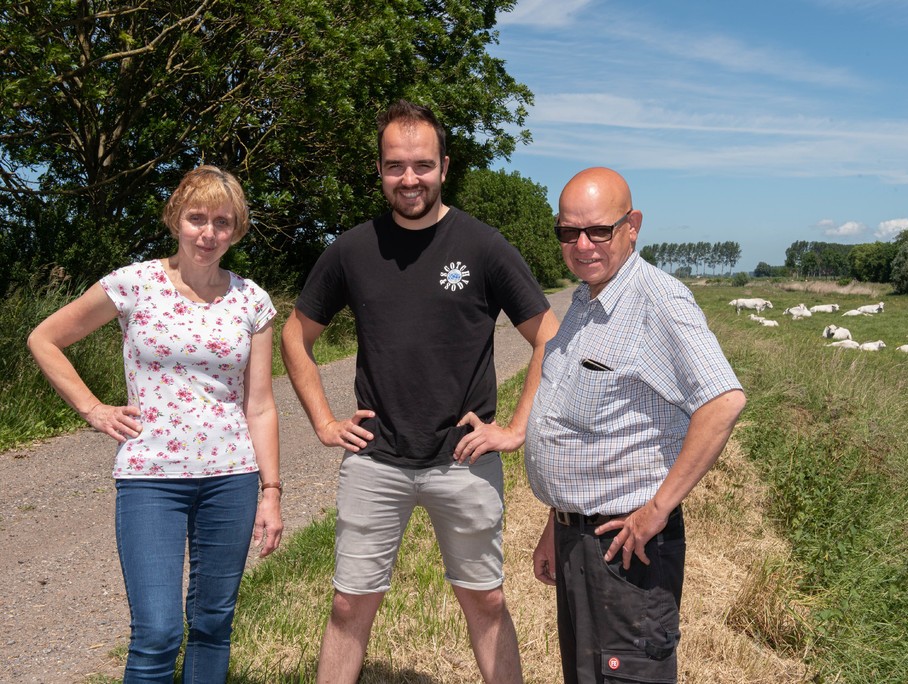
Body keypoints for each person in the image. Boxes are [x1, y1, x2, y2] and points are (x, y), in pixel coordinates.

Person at [280, 99, 559, 684]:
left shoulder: (483, 245)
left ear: (444, 167)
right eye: (395, 166)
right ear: (380, 170)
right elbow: (295, 336)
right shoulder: (353, 249)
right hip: (375, 461)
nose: (409, 179)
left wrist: (515, 428)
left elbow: (548, 336)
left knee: (485, 601)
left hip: (463, 460)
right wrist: (325, 423)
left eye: (422, 165)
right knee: (348, 605)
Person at [27, 165, 283, 682]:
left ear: (237, 230)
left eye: (222, 222)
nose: (207, 233)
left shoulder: (251, 300)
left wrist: (271, 491)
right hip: (150, 477)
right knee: (158, 631)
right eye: (196, 218)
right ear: (175, 219)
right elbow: (44, 338)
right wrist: (93, 409)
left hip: (230, 477)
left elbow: (260, 404)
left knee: (213, 623)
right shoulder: (134, 283)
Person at [525, 167, 747, 683]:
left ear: (633, 226)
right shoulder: (585, 301)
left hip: (628, 551)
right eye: (568, 232)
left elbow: (723, 402)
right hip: (578, 539)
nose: (582, 245)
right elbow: (585, 433)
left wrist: (656, 510)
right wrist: (555, 526)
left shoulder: (656, 302)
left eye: (598, 230)